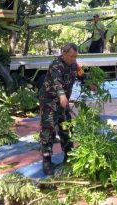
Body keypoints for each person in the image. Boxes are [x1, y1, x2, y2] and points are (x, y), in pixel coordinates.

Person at [39, 43, 79, 175]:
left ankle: (69, 156)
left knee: (67, 128)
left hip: (63, 103)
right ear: (64, 53)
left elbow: (82, 74)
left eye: (75, 56)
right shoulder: (56, 65)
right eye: (71, 56)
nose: (74, 59)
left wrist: (90, 84)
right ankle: (46, 161)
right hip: (50, 102)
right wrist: (62, 96)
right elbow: (57, 84)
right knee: (48, 130)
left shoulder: (74, 65)